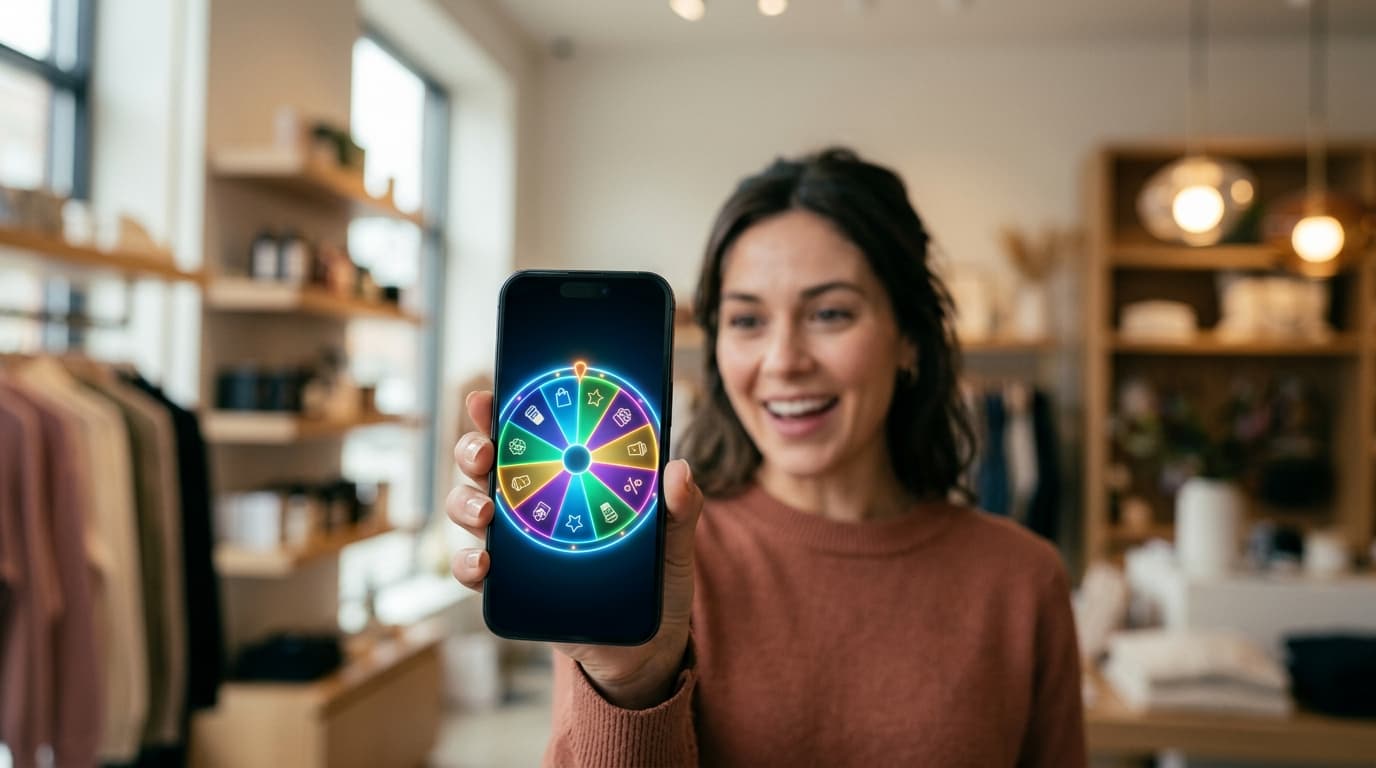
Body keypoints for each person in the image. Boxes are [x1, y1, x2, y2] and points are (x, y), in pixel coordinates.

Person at [446, 148, 1086, 767]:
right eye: (747, 321)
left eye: (830, 313)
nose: (783, 361)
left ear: (911, 338)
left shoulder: (1022, 582)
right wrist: (631, 685)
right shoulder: (647, 562)